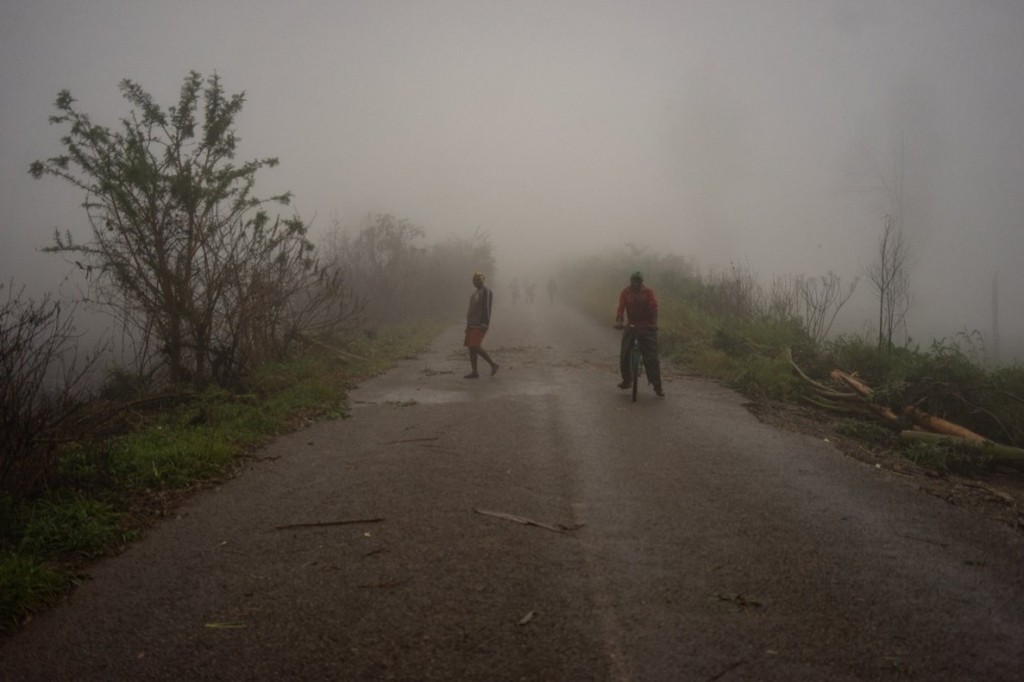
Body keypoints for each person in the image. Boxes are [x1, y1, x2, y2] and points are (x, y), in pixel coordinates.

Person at [614, 271, 664, 396]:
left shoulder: (648, 292)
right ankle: (626, 380)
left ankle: (657, 386)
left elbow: (654, 308)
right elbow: (620, 309)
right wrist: (619, 322)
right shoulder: (625, 292)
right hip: (631, 325)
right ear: (630, 281)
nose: (635, 283)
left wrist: (654, 324)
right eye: (633, 281)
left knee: (652, 357)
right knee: (625, 354)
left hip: (647, 326)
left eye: (638, 281)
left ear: (642, 282)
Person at [464, 271, 499, 378]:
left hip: (480, 324)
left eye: (477, 280)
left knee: (475, 345)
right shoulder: (474, 293)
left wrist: (485, 322)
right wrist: (468, 325)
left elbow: (487, 308)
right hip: (471, 323)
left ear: (482, 280)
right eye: (474, 280)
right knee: (471, 347)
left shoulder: (486, 291)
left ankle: (493, 364)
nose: (475, 282)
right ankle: (474, 371)